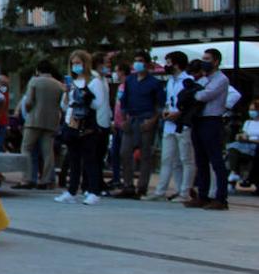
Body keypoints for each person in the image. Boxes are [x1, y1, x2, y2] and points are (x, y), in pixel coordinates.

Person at [55, 49, 111, 205]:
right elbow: (64, 105)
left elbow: (97, 104)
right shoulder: (71, 82)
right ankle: (72, 190)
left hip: (88, 125)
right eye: (73, 63)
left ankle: (93, 191)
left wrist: (85, 97)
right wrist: (66, 93)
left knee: (90, 159)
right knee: (73, 159)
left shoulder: (94, 81)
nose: (75, 66)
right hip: (71, 123)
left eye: (78, 63)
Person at [186, 48, 232, 211]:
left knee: (216, 160)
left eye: (207, 59)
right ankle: (203, 195)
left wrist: (193, 93)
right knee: (201, 159)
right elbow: (192, 92)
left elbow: (203, 95)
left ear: (216, 61)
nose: (204, 61)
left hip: (212, 120)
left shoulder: (221, 79)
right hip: (199, 120)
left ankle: (221, 197)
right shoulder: (205, 79)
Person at [114, 50, 164, 199]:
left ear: (147, 64)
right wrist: (123, 119)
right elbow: (124, 101)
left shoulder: (154, 83)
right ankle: (128, 185)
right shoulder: (130, 80)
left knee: (145, 154)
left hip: (146, 119)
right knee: (125, 152)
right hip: (131, 119)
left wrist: (153, 120)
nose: (138, 63)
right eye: (136, 60)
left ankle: (142, 187)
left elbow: (160, 105)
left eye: (141, 60)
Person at [154, 51, 197, 202]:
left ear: (177, 64)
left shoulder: (188, 80)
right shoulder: (170, 81)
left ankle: (185, 192)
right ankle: (162, 191)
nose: (167, 66)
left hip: (182, 125)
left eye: (169, 62)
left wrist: (179, 113)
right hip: (169, 125)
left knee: (186, 158)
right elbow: (169, 100)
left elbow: (191, 103)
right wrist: (166, 111)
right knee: (168, 159)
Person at [18, 60, 65, 190]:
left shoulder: (34, 81)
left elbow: (28, 102)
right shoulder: (59, 85)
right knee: (48, 152)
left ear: (38, 70)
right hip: (51, 121)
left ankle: (27, 178)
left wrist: (27, 111)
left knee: (26, 148)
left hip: (34, 120)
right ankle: (46, 179)